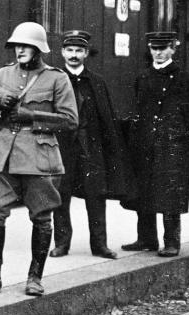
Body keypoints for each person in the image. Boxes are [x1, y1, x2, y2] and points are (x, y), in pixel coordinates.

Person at [0, 22, 78, 297]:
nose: (19, 50)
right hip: (3, 154)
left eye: (26, 46)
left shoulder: (57, 78)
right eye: (16, 46)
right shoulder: (1, 74)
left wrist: (32, 116)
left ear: (38, 49)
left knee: (42, 216)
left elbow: (70, 120)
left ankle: (35, 277)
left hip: (39, 155)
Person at [120, 30, 189, 256]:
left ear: (173, 49)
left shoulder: (185, 79)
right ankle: (147, 239)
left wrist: (183, 139)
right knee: (143, 191)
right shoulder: (143, 77)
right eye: (154, 48)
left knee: (169, 194)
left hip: (171, 144)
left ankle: (171, 242)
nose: (158, 53)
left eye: (163, 48)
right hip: (145, 143)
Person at [52, 29, 131, 259]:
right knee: (61, 194)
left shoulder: (97, 83)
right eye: (69, 50)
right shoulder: (55, 80)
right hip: (63, 147)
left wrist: (110, 151)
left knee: (96, 196)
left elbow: (107, 119)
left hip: (91, 148)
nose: (74, 55)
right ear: (62, 52)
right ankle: (61, 244)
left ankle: (99, 245)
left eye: (78, 50)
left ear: (86, 53)